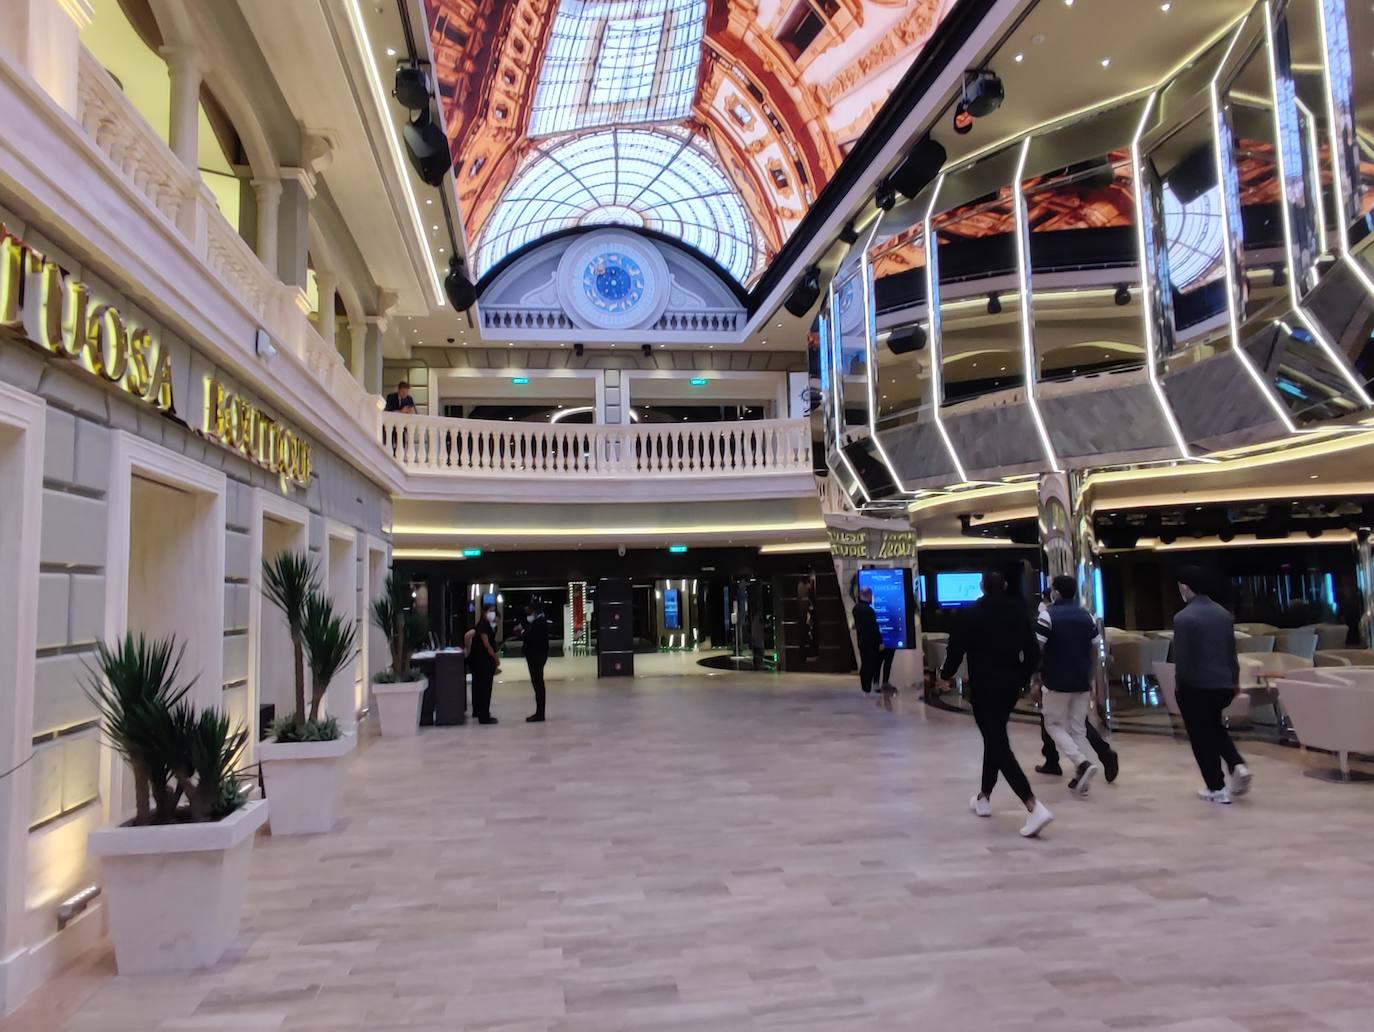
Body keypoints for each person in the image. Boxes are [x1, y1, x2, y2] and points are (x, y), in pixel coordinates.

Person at [940, 572, 1053, 837]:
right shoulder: (1018, 612)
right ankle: (984, 796)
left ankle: (1033, 806)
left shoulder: (970, 614)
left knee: (997, 743)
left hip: (983, 688)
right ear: (1003, 585)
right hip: (1009, 687)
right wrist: (1021, 678)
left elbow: (955, 649)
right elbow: (1034, 652)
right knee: (995, 738)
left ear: (981, 587)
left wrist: (944, 675)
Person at [1173, 566, 1251, 803]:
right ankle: (1237, 764)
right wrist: (1235, 681)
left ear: (1185, 587)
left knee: (1200, 737)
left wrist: (1180, 686)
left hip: (1196, 687)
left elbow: (1183, 659)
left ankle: (1216, 787)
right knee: (1213, 727)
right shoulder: (1223, 614)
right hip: (1223, 685)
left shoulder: (1183, 618)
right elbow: (1232, 653)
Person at [1035, 575, 1103, 796]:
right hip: (1082, 680)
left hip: (1055, 680)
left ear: (1055, 592)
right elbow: (1095, 649)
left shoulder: (1047, 616)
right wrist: (1092, 677)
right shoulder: (1087, 616)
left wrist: (1035, 678)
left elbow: (1038, 649)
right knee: (1077, 729)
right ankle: (1081, 776)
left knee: (1053, 724)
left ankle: (1081, 763)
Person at [468, 604, 501, 725]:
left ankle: (480, 712)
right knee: (485, 688)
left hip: (480, 661)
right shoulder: (483, 626)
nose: (493, 613)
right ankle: (484, 716)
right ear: (484, 612)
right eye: (491, 611)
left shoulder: (485, 625)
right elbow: (487, 645)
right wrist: (495, 658)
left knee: (480, 687)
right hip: (483, 662)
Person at [517, 602, 549, 723]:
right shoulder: (538, 622)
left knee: (538, 685)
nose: (529, 614)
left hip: (536, 657)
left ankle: (540, 714)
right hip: (537, 656)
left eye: (530, 612)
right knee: (538, 685)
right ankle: (539, 712)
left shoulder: (539, 622)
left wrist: (522, 632)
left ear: (535, 611)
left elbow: (533, 638)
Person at [852, 586, 882, 693]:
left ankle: (864, 686)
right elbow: (874, 627)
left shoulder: (856, 609)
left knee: (864, 663)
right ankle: (868, 686)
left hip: (861, 640)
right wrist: (880, 641)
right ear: (869, 595)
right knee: (871, 663)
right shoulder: (869, 611)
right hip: (871, 641)